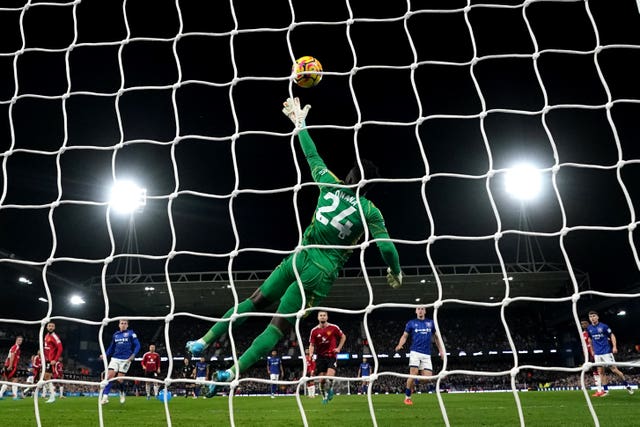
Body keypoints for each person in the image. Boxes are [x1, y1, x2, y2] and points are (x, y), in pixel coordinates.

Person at [185, 96, 403, 393]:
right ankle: (231, 373)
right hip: (318, 274)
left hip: (298, 257)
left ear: (349, 175)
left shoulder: (329, 183)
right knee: (276, 327)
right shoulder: (370, 211)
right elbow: (387, 247)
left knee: (253, 301)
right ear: (370, 187)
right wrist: (395, 271)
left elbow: (312, 156)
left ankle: (203, 341)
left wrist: (300, 124)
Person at [395, 306, 445, 406]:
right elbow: (405, 336)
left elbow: (436, 338)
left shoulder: (431, 323)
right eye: (418, 309)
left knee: (428, 379)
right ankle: (407, 397)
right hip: (415, 352)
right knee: (413, 373)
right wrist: (400, 344)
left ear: (425, 311)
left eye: (422, 309)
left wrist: (441, 350)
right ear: (416, 311)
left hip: (427, 354)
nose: (420, 310)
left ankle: (414, 381)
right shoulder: (411, 323)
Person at [585, 310, 633, 397]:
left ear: (597, 317)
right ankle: (606, 391)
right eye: (590, 317)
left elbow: (612, 335)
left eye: (594, 316)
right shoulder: (589, 328)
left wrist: (614, 346)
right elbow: (590, 339)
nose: (592, 318)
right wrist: (591, 350)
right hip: (597, 354)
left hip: (606, 352)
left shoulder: (604, 326)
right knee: (601, 372)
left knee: (614, 370)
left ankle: (627, 385)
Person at [100, 319, 141, 405]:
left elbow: (138, 345)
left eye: (125, 323)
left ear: (127, 325)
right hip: (115, 358)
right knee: (109, 376)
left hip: (126, 360)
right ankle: (105, 397)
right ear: (119, 325)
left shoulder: (131, 333)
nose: (123, 325)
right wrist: (105, 354)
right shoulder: (116, 335)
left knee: (120, 379)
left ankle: (122, 393)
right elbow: (112, 347)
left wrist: (133, 355)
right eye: (122, 323)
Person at [309, 311, 346, 404]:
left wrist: (338, 348)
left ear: (327, 317)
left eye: (324, 315)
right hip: (320, 357)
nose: (322, 317)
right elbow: (312, 344)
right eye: (320, 315)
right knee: (322, 381)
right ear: (318, 317)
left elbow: (343, 337)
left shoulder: (333, 328)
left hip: (331, 356)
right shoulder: (314, 331)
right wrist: (310, 354)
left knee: (329, 377)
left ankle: (329, 390)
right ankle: (324, 397)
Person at [43, 322, 63, 403]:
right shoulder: (46, 335)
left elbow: (60, 348)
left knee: (47, 377)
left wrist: (55, 359)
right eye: (49, 326)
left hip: (51, 360)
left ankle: (52, 395)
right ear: (47, 327)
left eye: (52, 326)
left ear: (54, 328)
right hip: (47, 359)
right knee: (46, 378)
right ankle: (52, 394)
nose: (50, 327)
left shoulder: (54, 336)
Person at [0, 335, 23, 400]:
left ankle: (0, 395)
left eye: (21, 340)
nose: (20, 341)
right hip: (11, 366)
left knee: (7, 381)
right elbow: (12, 355)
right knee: (15, 380)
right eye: (19, 340)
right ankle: (15, 396)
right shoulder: (15, 347)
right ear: (16, 340)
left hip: (8, 365)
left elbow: (9, 357)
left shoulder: (15, 347)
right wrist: (10, 365)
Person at [581, 320, 601, 393]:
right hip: (588, 354)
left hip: (595, 352)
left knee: (600, 370)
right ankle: (599, 389)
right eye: (582, 324)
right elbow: (583, 344)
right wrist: (584, 352)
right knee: (594, 370)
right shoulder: (583, 333)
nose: (583, 325)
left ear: (588, 324)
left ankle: (601, 389)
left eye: (584, 323)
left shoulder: (592, 330)